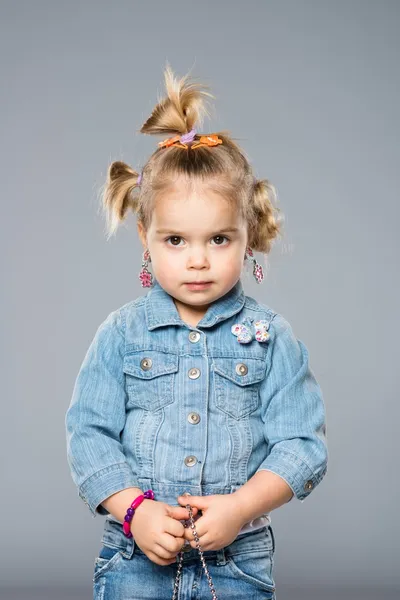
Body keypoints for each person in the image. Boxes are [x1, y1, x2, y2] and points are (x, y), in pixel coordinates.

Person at [65, 63, 328, 600]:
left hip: (238, 562)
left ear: (248, 234)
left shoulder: (270, 337)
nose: (199, 261)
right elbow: (88, 435)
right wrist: (133, 510)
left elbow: (302, 445)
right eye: (177, 241)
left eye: (219, 239)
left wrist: (238, 508)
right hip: (134, 557)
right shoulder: (121, 334)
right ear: (146, 235)